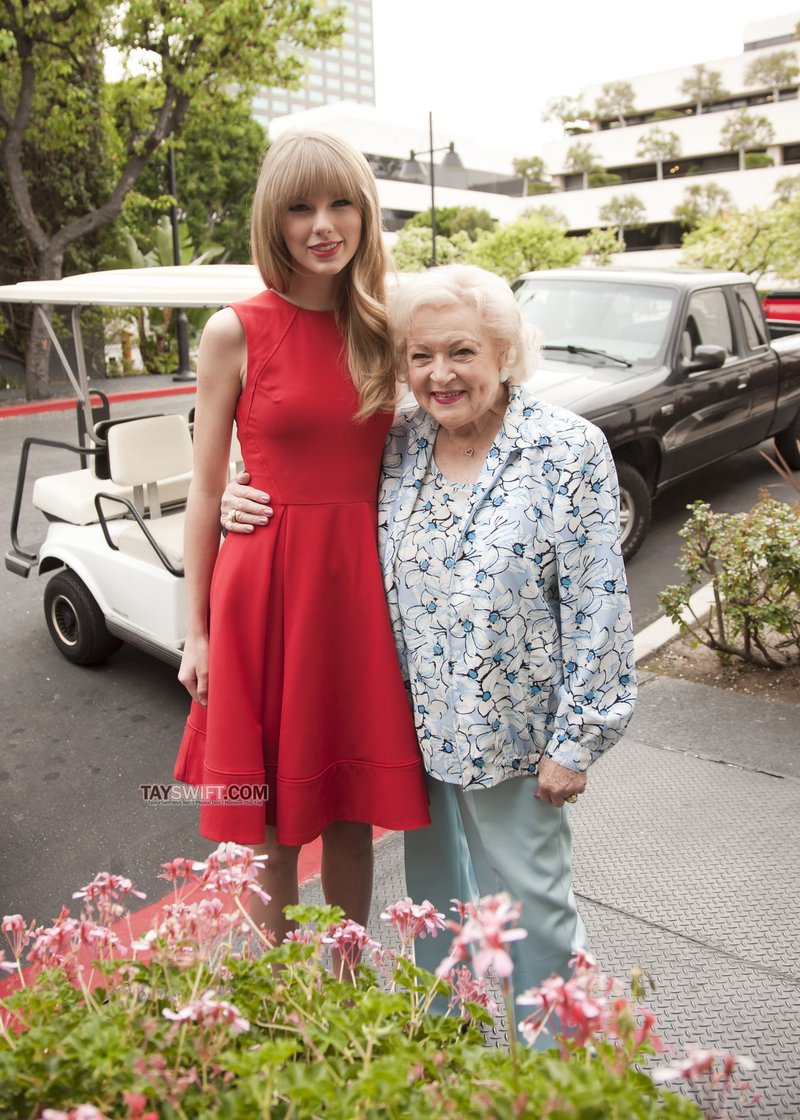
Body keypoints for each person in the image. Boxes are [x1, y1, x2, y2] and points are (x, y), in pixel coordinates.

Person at [223, 264, 636, 1022]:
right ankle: (449, 1053)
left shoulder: (566, 450)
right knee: (437, 913)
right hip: (411, 733)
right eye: (420, 357)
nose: (440, 375)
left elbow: (598, 604)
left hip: (514, 735)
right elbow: (298, 463)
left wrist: (578, 741)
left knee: (534, 918)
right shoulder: (403, 440)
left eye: (462, 352)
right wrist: (228, 487)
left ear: (503, 353)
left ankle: (553, 1076)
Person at [175, 130, 430, 943]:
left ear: (365, 212)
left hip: (358, 592)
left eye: (340, 203)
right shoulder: (235, 329)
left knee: (353, 817)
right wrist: (197, 633)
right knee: (277, 830)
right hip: (267, 587)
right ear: (272, 222)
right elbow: (206, 486)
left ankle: (346, 991)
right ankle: (277, 1005)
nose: (323, 224)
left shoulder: (388, 330)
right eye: (299, 208)